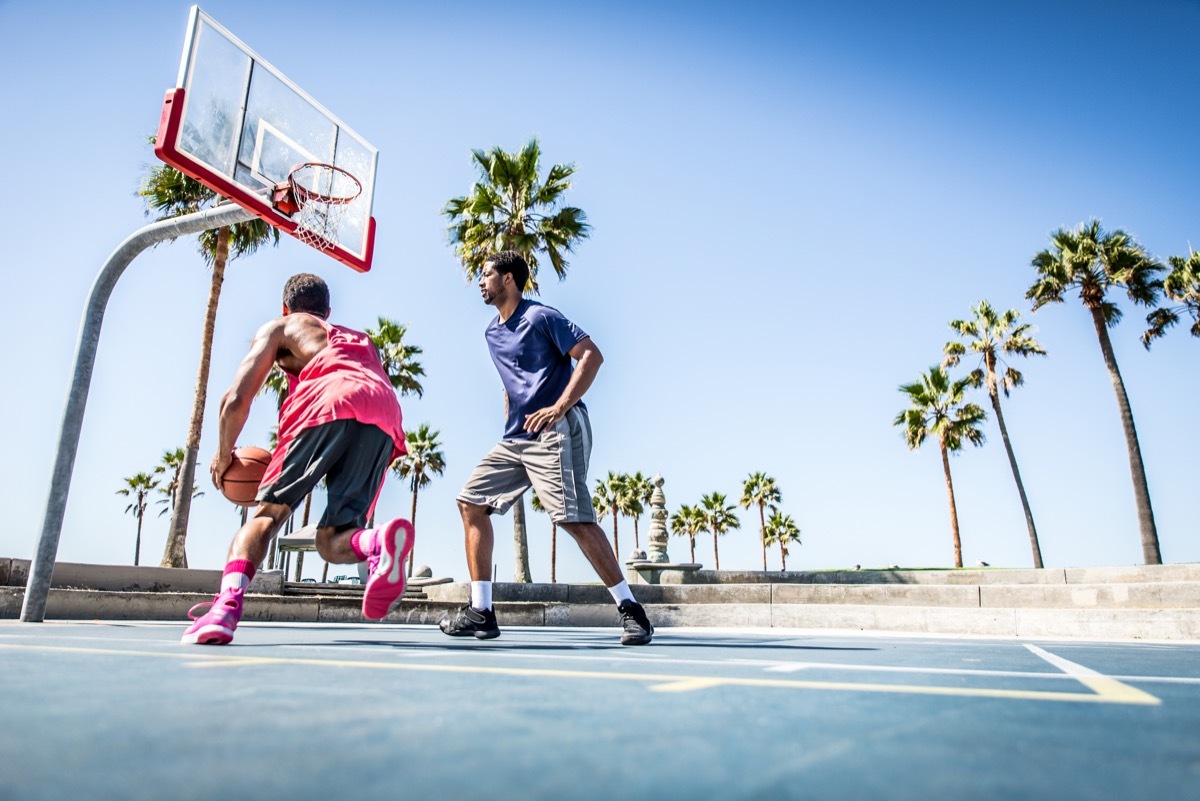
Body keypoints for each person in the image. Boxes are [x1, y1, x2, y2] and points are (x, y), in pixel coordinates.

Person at [182, 273, 412, 645]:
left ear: (286, 307)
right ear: (328, 311)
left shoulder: (282, 326)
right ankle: (376, 541)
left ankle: (224, 610)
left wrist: (223, 456)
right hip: (384, 413)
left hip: (329, 399)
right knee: (331, 540)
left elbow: (235, 400)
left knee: (266, 517)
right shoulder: (357, 339)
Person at [439, 250, 654, 645]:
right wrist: (511, 405)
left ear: (508, 279)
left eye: (487, 274)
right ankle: (482, 611)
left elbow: (592, 355)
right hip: (517, 435)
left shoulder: (541, 316)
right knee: (470, 501)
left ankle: (632, 611)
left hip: (556, 428)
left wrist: (559, 407)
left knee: (572, 518)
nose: (480, 281)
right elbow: (513, 378)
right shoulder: (491, 333)